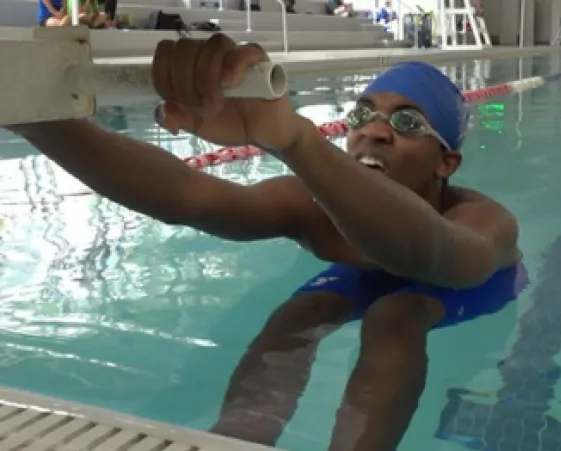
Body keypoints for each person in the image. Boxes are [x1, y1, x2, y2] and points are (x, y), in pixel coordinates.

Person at [6, 35, 526, 451]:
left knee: (395, 318)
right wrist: (40, 119)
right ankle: (238, 438)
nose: (374, 132)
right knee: (300, 312)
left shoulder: (483, 220)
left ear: (446, 163)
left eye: (408, 122)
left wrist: (295, 139)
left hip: (462, 284)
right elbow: (185, 194)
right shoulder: (313, 207)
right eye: (363, 115)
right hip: (381, 268)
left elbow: (430, 253)